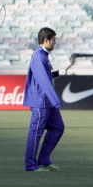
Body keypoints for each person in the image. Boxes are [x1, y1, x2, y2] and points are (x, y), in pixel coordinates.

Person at [23, 27, 65, 172]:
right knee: (36, 132)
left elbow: (43, 76)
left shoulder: (43, 55)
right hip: (40, 101)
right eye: (53, 40)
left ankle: (44, 160)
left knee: (58, 127)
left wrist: (53, 74)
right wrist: (56, 101)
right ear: (46, 40)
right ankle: (31, 165)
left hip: (47, 101)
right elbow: (43, 81)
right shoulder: (39, 56)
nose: (55, 42)